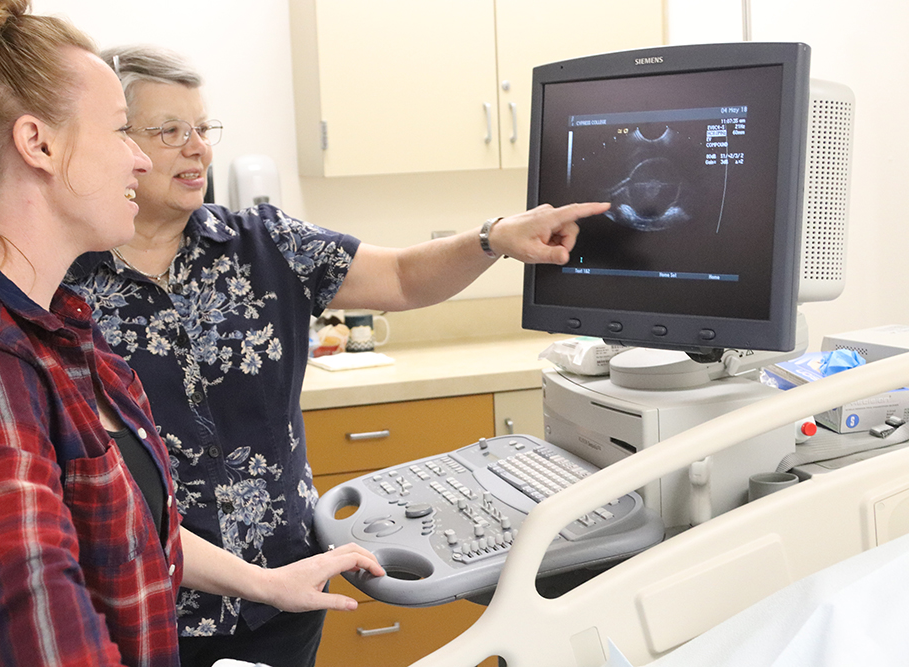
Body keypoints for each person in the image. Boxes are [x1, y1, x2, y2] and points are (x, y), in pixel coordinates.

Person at [65, 44, 609, 667]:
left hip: (284, 590)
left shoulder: (265, 243)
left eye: (202, 128)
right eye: (169, 131)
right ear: (117, 142)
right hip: (140, 606)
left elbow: (403, 277)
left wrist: (493, 239)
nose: (198, 150)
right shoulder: (64, 281)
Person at [0, 3, 383, 666]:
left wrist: (267, 583)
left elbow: (133, 530)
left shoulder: (57, 325)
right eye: (119, 130)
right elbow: (42, 626)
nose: (137, 159)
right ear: (38, 144)